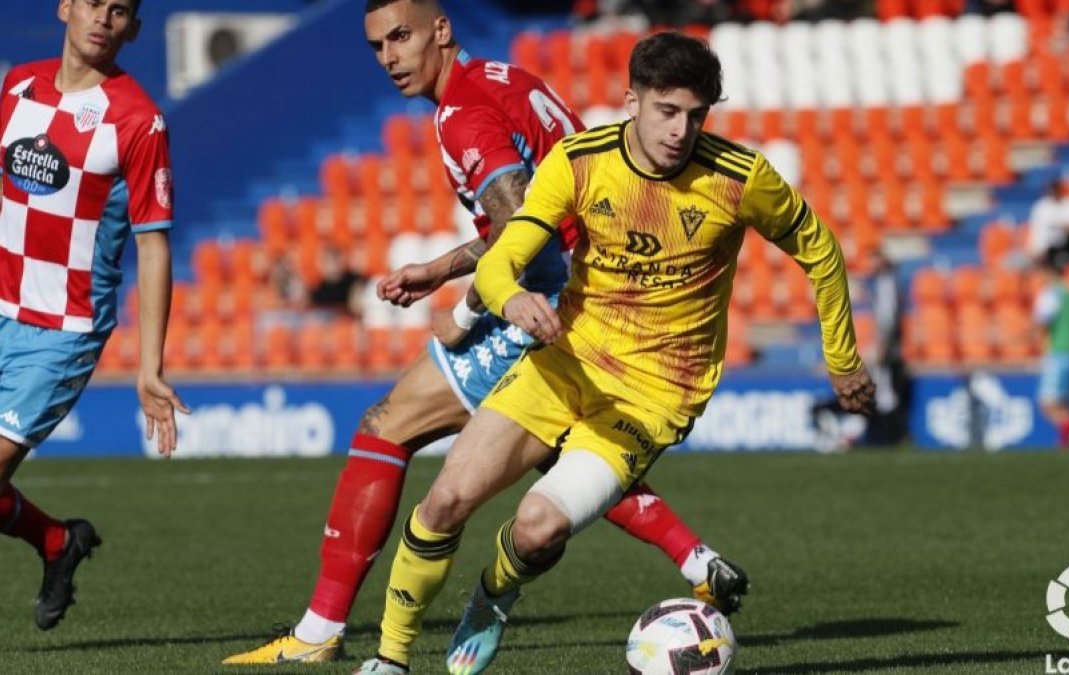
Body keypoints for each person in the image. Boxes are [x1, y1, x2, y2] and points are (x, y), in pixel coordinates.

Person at [222, 2, 747, 665]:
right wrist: (435, 268)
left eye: (402, 37)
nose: (389, 57)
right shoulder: (507, 79)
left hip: (546, 295)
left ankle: (323, 633)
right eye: (377, 46)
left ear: (441, 29)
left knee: (390, 425)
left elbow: (518, 226)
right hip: (592, 284)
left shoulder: (462, 112)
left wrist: (467, 308)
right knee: (563, 450)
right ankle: (696, 559)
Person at [355, 32, 876, 675]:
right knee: (443, 504)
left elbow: (820, 249)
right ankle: (390, 659)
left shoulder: (740, 179)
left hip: (652, 397)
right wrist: (511, 298)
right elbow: (503, 259)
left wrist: (843, 357)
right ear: (632, 100)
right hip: (564, 363)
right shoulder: (580, 162)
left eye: (696, 114)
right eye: (666, 111)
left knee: (534, 529)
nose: (681, 130)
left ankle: (492, 598)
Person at [0, 0, 188, 630]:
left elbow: (153, 242)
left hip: (61, 332)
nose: (103, 19)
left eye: (120, 11)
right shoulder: (16, 85)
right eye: (93, 3)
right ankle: (57, 542)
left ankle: (56, 542)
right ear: (65, 8)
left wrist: (149, 367)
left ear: (133, 28)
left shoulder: (138, 120)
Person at [1034, 259, 1069, 449]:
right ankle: (1067, 443)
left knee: (1047, 402)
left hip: (1058, 353)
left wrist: (1032, 340)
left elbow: (1043, 322)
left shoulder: (1050, 295)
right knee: (1065, 403)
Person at [1026, 178, 1069, 266]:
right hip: (1044, 250)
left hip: (1067, 247)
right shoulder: (1041, 206)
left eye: (1056, 190)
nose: (1053, 193)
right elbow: (1035, 230)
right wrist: (1034, 249)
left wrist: (1061, 226)